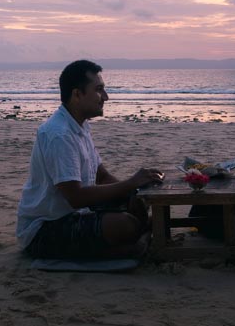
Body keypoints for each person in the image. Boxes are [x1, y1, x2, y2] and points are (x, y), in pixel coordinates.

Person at [16, 60, 163, 259]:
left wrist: (133, 192)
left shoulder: (79, 126)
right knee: (127, 225)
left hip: (75, 212)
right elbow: (76, 197)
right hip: (46, 228)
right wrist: (130, 183)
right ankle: (128, 248)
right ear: (77, 94)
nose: (106, 97)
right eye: (99, 90)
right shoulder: (60, 134)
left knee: (136, 205)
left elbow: (102, 176)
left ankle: (129, 244)